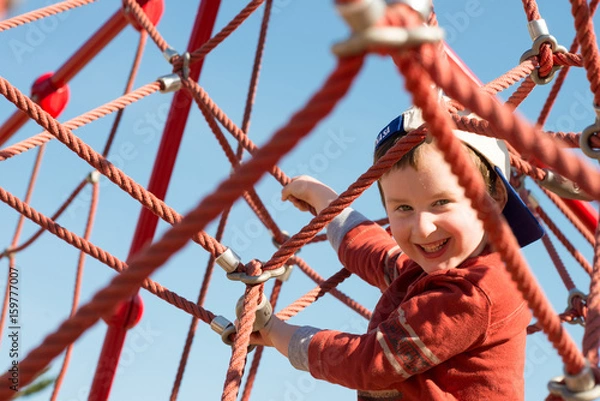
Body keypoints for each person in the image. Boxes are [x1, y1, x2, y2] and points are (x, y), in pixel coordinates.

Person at [254, 106, 544, 401]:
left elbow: (374, 362)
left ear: (492, 200)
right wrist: (325, 201)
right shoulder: (433, 268)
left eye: (441, 202)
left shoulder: (476, 290)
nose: (422, 228)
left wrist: (280, 334)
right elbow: (374, 253)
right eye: (403, 208)